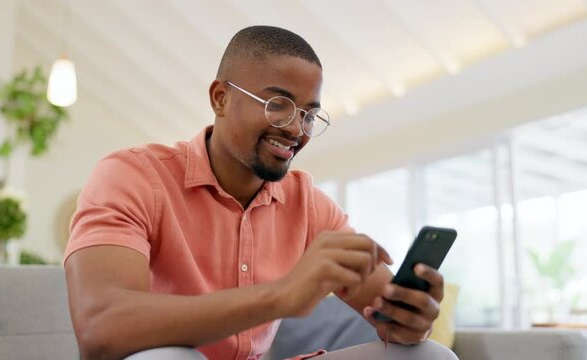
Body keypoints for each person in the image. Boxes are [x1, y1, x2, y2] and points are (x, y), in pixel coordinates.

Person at [64, 25, 458, 360]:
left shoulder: (311, 206)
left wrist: (412, 321)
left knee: (432, 356)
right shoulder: (133, 176)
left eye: (307, 114)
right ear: (220, 98)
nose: (295, 129)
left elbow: (391, 319)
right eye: (278, 105)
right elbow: (100, 328)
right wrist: (279, 296)